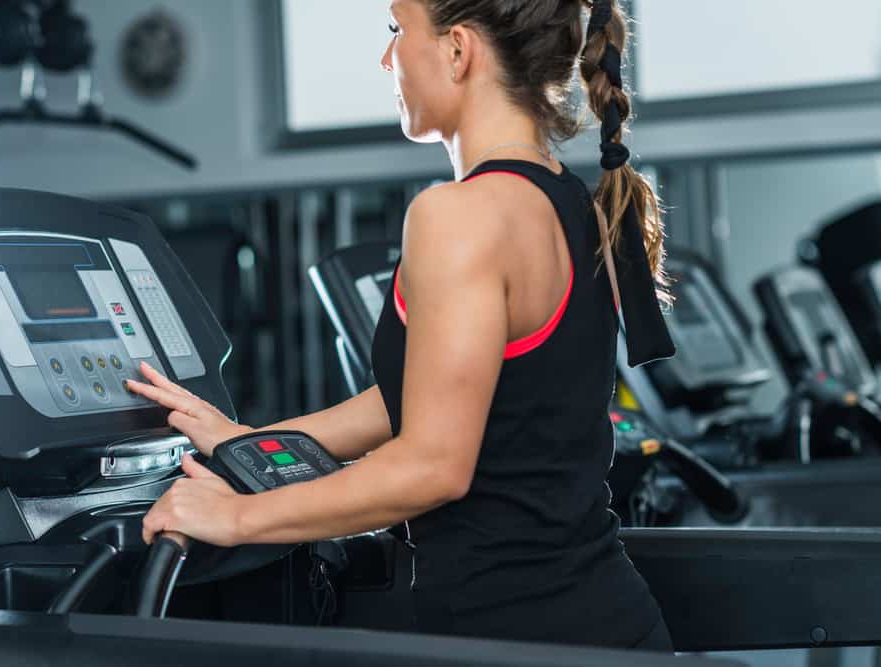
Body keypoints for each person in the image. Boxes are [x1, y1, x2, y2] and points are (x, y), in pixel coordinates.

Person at [128, 0, 675, 651]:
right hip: (598, 620)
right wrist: (249, 439)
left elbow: (434, 465)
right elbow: (431, 402)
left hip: (521, 634)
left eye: (396, 31)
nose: (386, 59)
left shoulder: (459, 215)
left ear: (457, 49)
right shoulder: (569, 202)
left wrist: (237, 515)